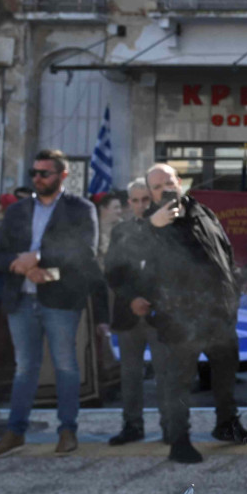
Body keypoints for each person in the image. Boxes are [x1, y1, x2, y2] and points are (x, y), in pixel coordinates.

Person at [0, 149, 100, 458]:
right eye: (34, 173)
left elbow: (84, 252)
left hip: (61, 299)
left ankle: (67, 430)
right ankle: (15, 431)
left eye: (44, 173)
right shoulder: (17, 211)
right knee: (24, 367)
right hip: (21, 298)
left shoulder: (81, 209)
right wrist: (17, 264)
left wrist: (39, 260)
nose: (37, 178)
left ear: (63, 175)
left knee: (65, 365)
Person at [140, 162, 247, 463]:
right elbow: (135, 260)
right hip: (180, 317)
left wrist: (234, 282)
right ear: (151, 194)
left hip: (219, 312)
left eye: (168, 182)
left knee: (225, 374)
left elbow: (224, 250)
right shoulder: (150, 224)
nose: (164, 189)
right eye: (156, 187)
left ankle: (227, 424)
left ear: (179, 181)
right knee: (179, 382)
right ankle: (179, 439)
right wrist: (154, 227)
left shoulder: (203, 211)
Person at [101, 179, 158, 447]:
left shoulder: (168, 229)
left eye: (145, 200)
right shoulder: (120, 231)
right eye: (134, 201)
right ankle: (132, 425)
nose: (140, 206)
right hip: (128, 312)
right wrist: (133, 298)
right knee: (130, 375)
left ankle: (173, 427)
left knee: (169, 374)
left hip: (161, 314)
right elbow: (112, 272)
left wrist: (153, 300)